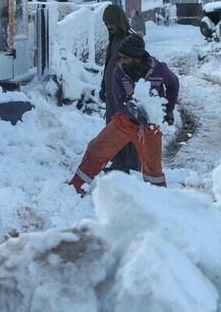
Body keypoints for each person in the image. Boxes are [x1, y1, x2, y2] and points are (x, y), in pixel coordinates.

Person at [69, 33, 179, 196]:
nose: (121, 61)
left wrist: (168, 109)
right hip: (125, 122)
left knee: (153, 169)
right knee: (96, 148)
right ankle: (75, 188)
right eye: (120, 57)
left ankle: (159, 200)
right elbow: (120, 102)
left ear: (137, 57)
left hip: (150, 128)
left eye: (125, 58)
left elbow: (173, 83)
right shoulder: (119, 72)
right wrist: (135, 114)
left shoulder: (159, 69)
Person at [100, 5, 140, 173]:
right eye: (107, 23)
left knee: (127, 125)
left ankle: (130, 163)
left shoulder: (130, 39)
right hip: (112, 94)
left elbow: (137, 66)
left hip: (125, 93)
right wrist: (104, 86)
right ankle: (118, 160)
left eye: (112, 22)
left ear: (119, 21)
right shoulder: (114, 39)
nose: (110, 26)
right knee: (113, 125)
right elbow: (109, 64)